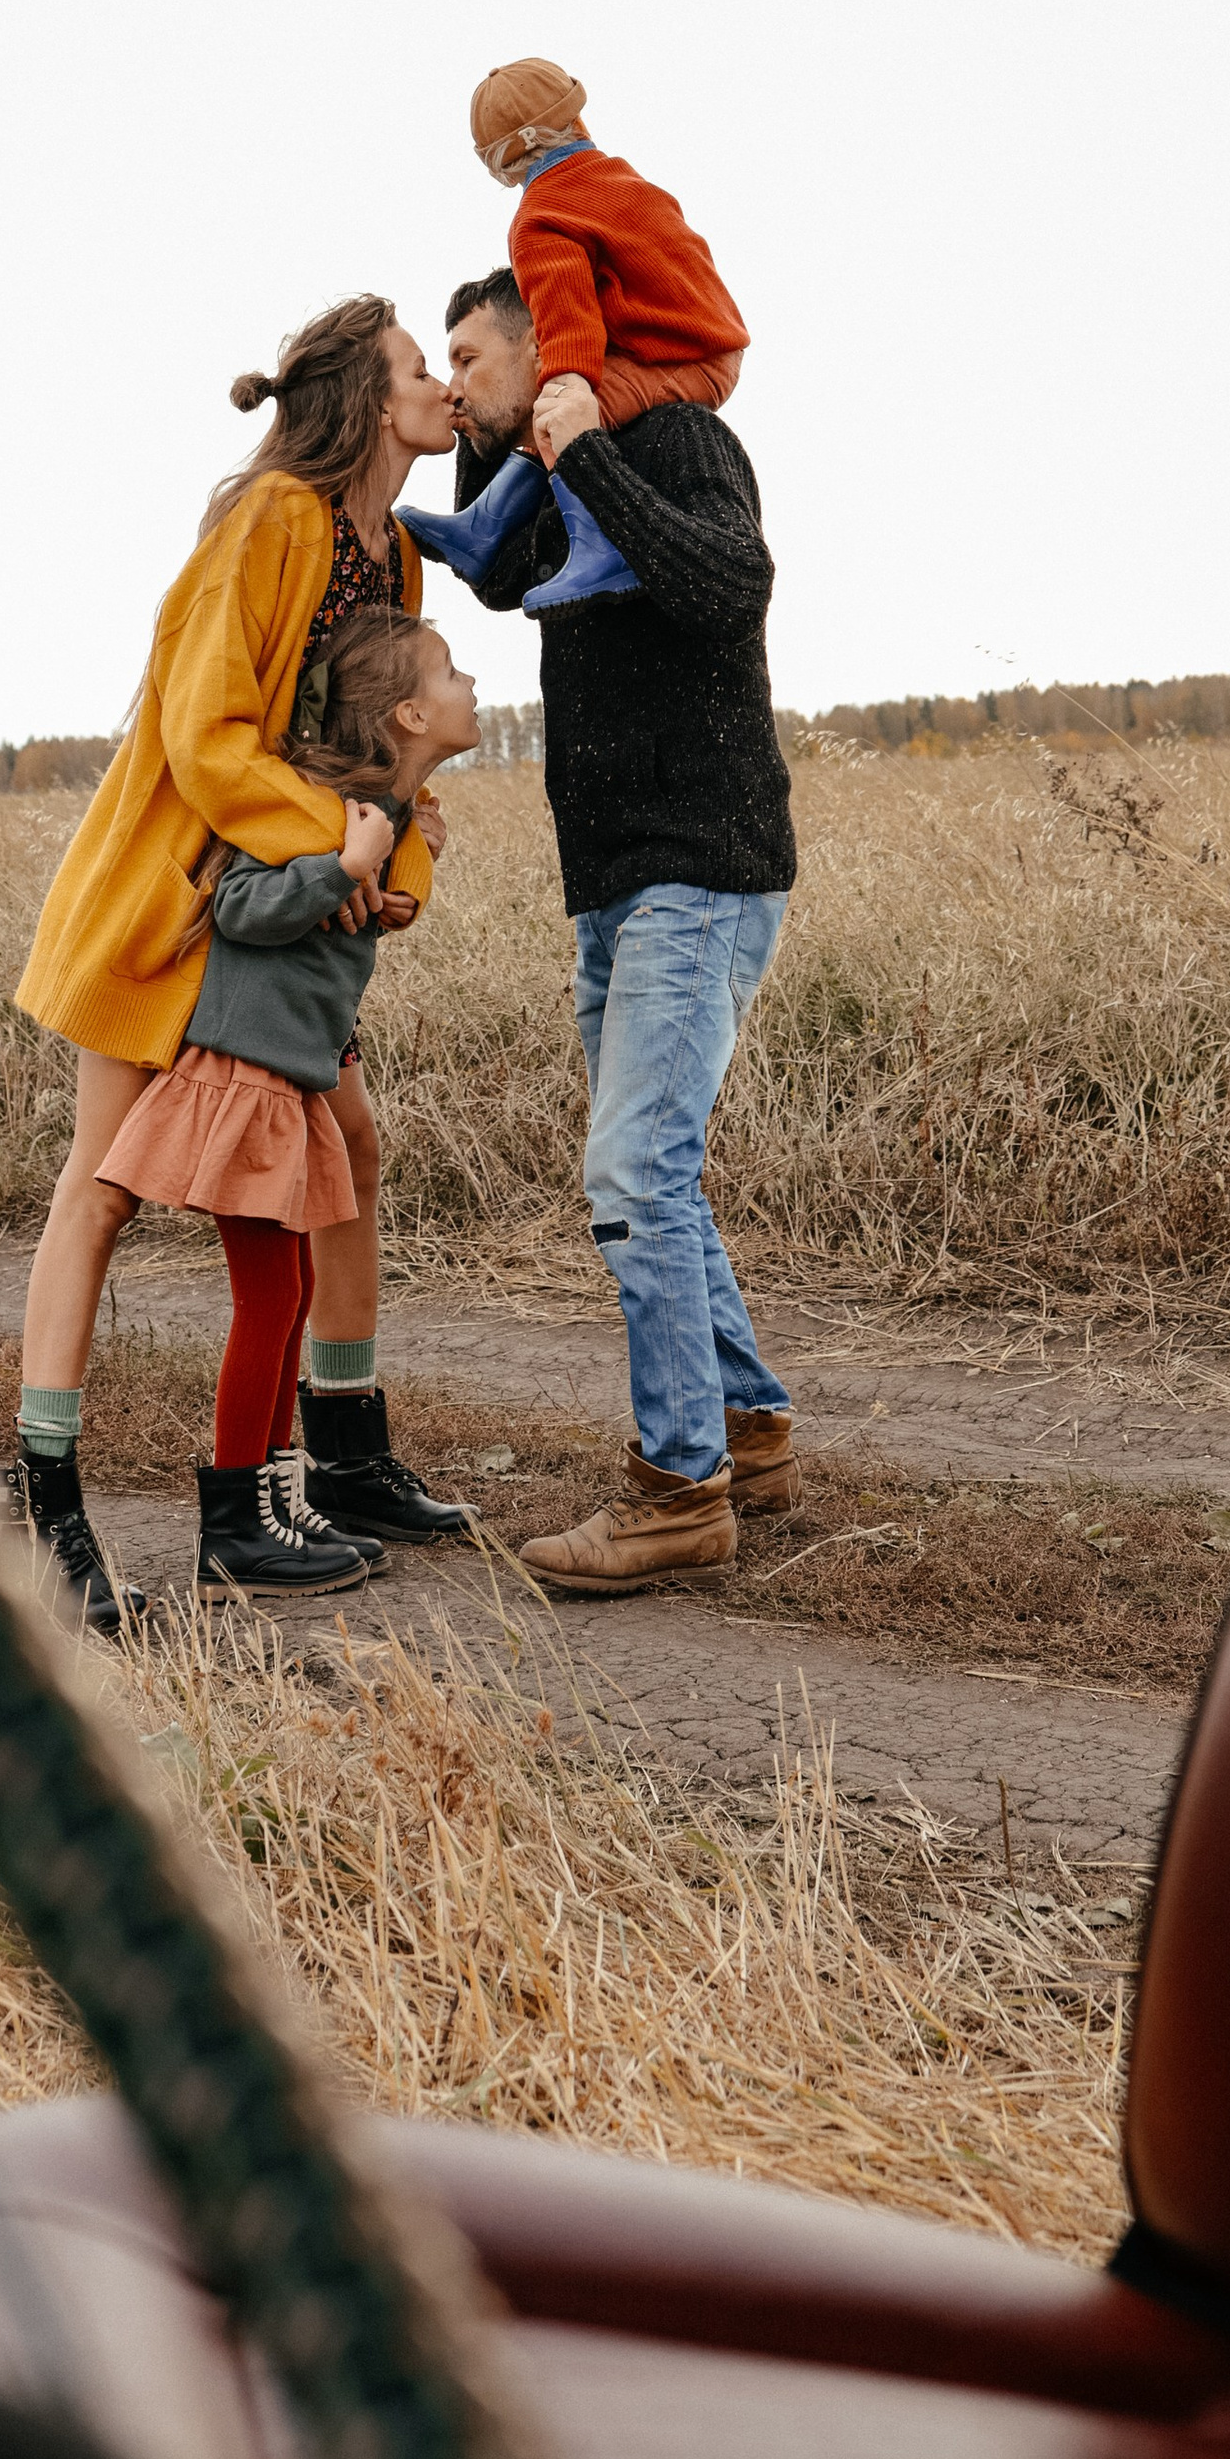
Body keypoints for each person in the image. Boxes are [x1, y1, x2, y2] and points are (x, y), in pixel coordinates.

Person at [10, 296, 471, 1628]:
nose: (442, 385)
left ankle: (343, 1450)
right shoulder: (272, 524)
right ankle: (50, 1507)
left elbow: (384, 761)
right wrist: (347, 850)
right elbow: (207, 742)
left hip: (282, 918)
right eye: (419, 368)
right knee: (99, 1197)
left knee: (349, 1155)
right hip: (166, 908)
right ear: (369, 404)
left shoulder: (393, 559)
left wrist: (388, 881)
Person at [441, 267, 798, 1589]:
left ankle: (675, 1489)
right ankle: (746, 1429)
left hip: (696, 867)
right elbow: (495, 578)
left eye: (472, 355)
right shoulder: (548, 472)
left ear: (547, 339)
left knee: (634, 1177)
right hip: (617, 882)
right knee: (659, 1172)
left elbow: (729, 586)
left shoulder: (673, 438)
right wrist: (519, 450)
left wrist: (588, 443)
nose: (459, 381)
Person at [95, 609, 486, 1594]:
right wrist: (342, 869)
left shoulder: (374, 814)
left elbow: (331, 911)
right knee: (268, 1300)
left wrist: (383, 877)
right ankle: (233, 1525)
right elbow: (238, 906)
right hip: (243, 1081)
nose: (469, 681)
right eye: (450, 671)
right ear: (404, 712)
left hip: (292, 1077)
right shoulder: (315, 813)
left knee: (292, 1293)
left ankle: (274, 1499)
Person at [406, 56, 749, 614]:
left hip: (682, 360)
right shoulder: (622, 179)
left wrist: (565, 389)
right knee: (557, 417)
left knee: (559, 420)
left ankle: (597, 551)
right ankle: (482, 527)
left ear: (502, 158)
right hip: (703, 346)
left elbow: (566, 319)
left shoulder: (542, 215)